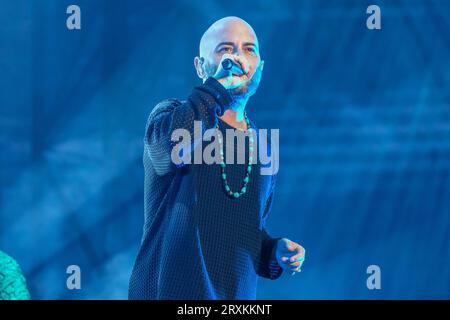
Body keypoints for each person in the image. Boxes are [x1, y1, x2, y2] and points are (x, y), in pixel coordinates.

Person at [129, 16, 305, 300]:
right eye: (225, 49)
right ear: (200, 66)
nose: (236, 57)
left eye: (249, 49)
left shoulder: (263, 145)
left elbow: (245, 230)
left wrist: (273, 250)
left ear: (260, 67)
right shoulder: (172, 115)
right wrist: (216, 88)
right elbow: (169, 152)